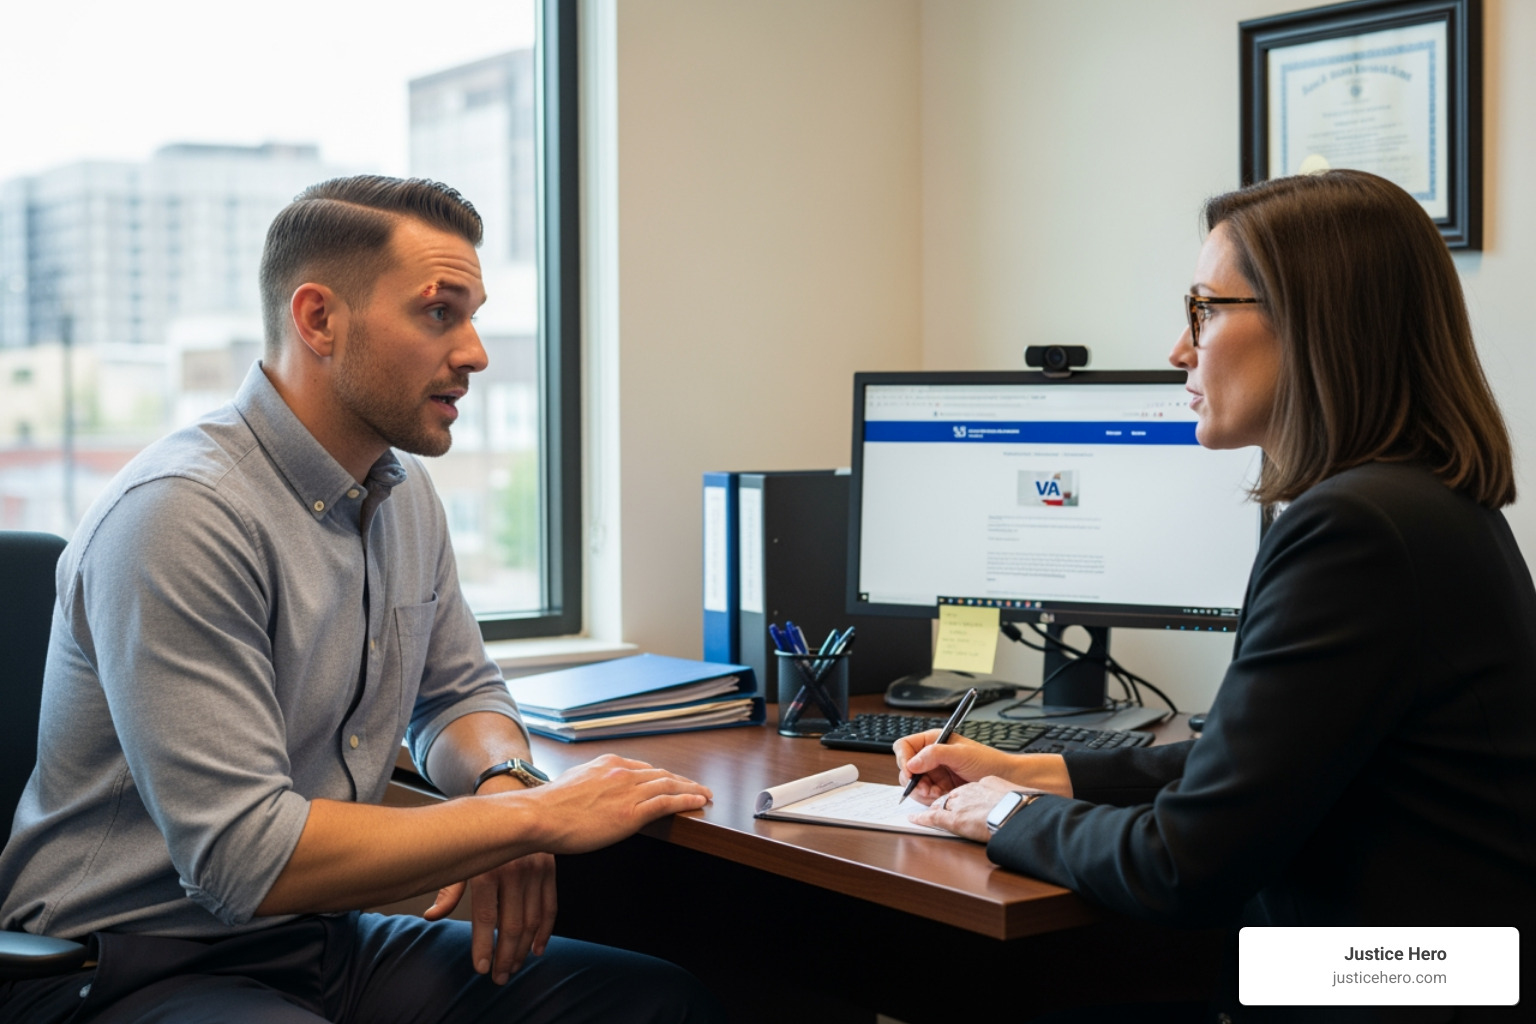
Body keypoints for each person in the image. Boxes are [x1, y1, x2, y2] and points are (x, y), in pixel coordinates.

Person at [0, 176, 723, 1023]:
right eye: (440, 312)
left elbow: (458, 696)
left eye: (475, 315)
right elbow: (245, 860)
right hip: (127, 964)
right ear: (318, 321)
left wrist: (504, 781)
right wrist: (532, 821)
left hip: (321, 942)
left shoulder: (401, 491)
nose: (477, 352)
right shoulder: (179, 514)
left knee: (651, 1002)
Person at [896, 170, 1536, 1022]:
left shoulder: (1354, 528)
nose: (1179, 349)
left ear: (1312, 323)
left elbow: (1185, 864)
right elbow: (1257, 764)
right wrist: (1037, 770)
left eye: (1205, 308)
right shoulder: (1417, 500)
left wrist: (1006, 814)